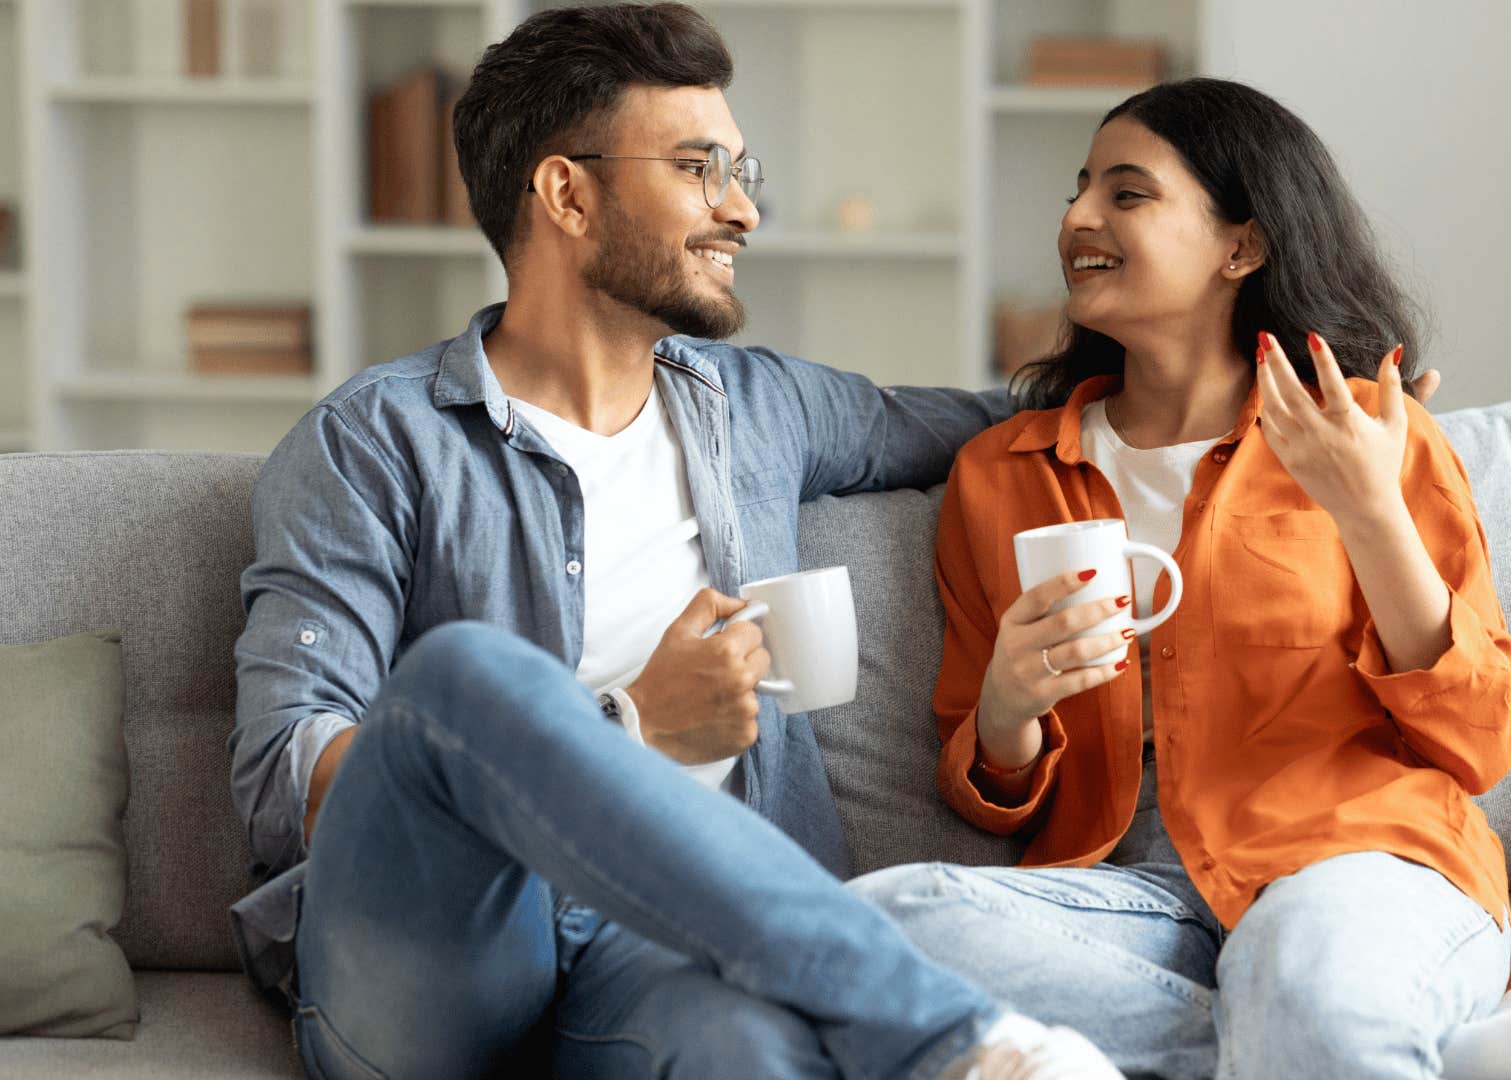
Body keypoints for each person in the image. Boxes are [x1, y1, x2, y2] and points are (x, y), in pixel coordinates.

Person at [226, 5, 1135, 1077]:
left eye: (741, 170)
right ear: (567, 193)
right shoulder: (374, 441)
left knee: (748, 1050)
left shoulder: (758, 408)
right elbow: (281, 776)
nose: (742, 209)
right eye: (701, 168)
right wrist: (634, 725)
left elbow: (1002, 417)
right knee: (466, 676)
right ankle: (963, 1039)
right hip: (439, 966)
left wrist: (1291, 369)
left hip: (666, 955)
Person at [848, 80, 1511, 1080]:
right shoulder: (1001, 475)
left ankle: (1335, 1025)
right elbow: (998, 794)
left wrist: (1371, 512)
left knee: (1302, 968)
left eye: (1127, 194)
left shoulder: (1369, 436)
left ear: (1240, 247)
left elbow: (1478, 740)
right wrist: (1007, 709)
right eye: (1079, 190)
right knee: (879, 926)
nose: (1076, 217)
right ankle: (1422, 1053)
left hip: (1355, 864)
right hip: (1136, 897)